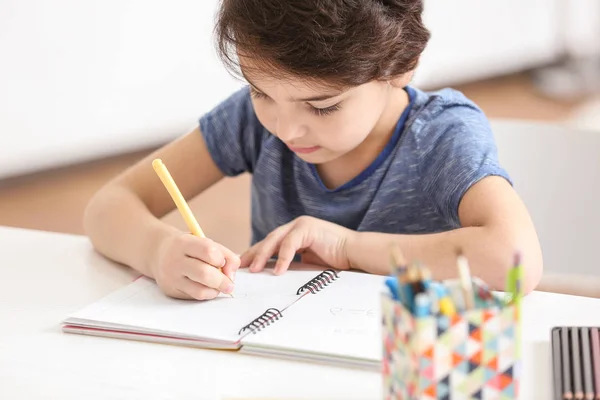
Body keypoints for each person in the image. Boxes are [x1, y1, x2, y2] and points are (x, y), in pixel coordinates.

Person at [83, 0, 543, 301]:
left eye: (323, 106)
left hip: (404, 362)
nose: (285, 128)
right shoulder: (252, 120)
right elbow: (109, 206)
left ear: (400, 66)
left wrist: (347, 247)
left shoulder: (443, 136)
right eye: (261, 92)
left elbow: (515, 257)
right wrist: (157, 249)